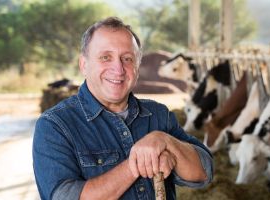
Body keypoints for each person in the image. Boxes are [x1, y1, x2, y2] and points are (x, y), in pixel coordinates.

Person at [32, 16, 213, 200]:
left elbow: (204, 172)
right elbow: (64, 197)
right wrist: (136, 165)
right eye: (105, 57)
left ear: (137, 66)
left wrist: (166, 142)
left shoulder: (158, 115)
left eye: (127, 58)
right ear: (84, 65)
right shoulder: (55, 125)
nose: (118, 69)